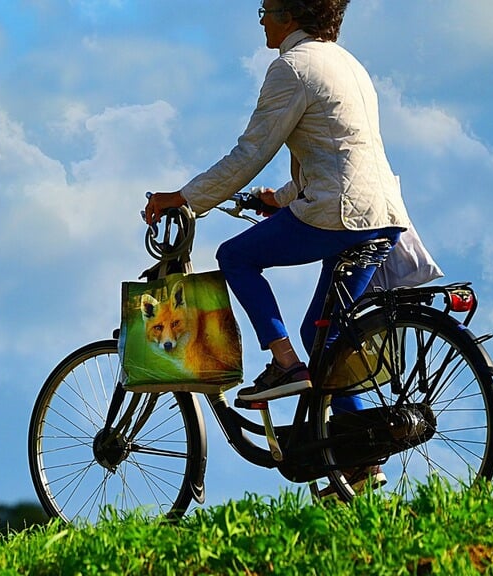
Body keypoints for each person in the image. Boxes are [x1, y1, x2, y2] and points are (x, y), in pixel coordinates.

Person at [144, 0, 410, 407]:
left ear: (289, 15)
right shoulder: (347, 63)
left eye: (266, 10)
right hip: (383, 214)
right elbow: (337, 152)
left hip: (338, 214)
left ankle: (284, 363)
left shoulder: (291, 69)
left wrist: (184, 197)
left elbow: (250, 154)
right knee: (324, 336)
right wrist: (280, 199)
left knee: (235, 256)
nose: (263, 20)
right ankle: (361, 458)